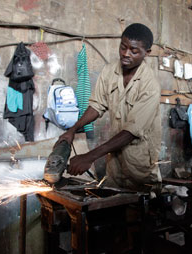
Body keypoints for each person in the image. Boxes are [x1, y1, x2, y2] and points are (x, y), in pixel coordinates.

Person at [56, 23, 162, 191]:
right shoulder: (109, 71)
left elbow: (131, 132)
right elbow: (97, 105)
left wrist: (89, 157)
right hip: (114, 158)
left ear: (146, 53)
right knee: (115, 200)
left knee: (144, 203)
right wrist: (73, 130)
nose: (126, 54)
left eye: (134, 51)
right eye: (123, 47)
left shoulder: (150, 86)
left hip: (139, 160)